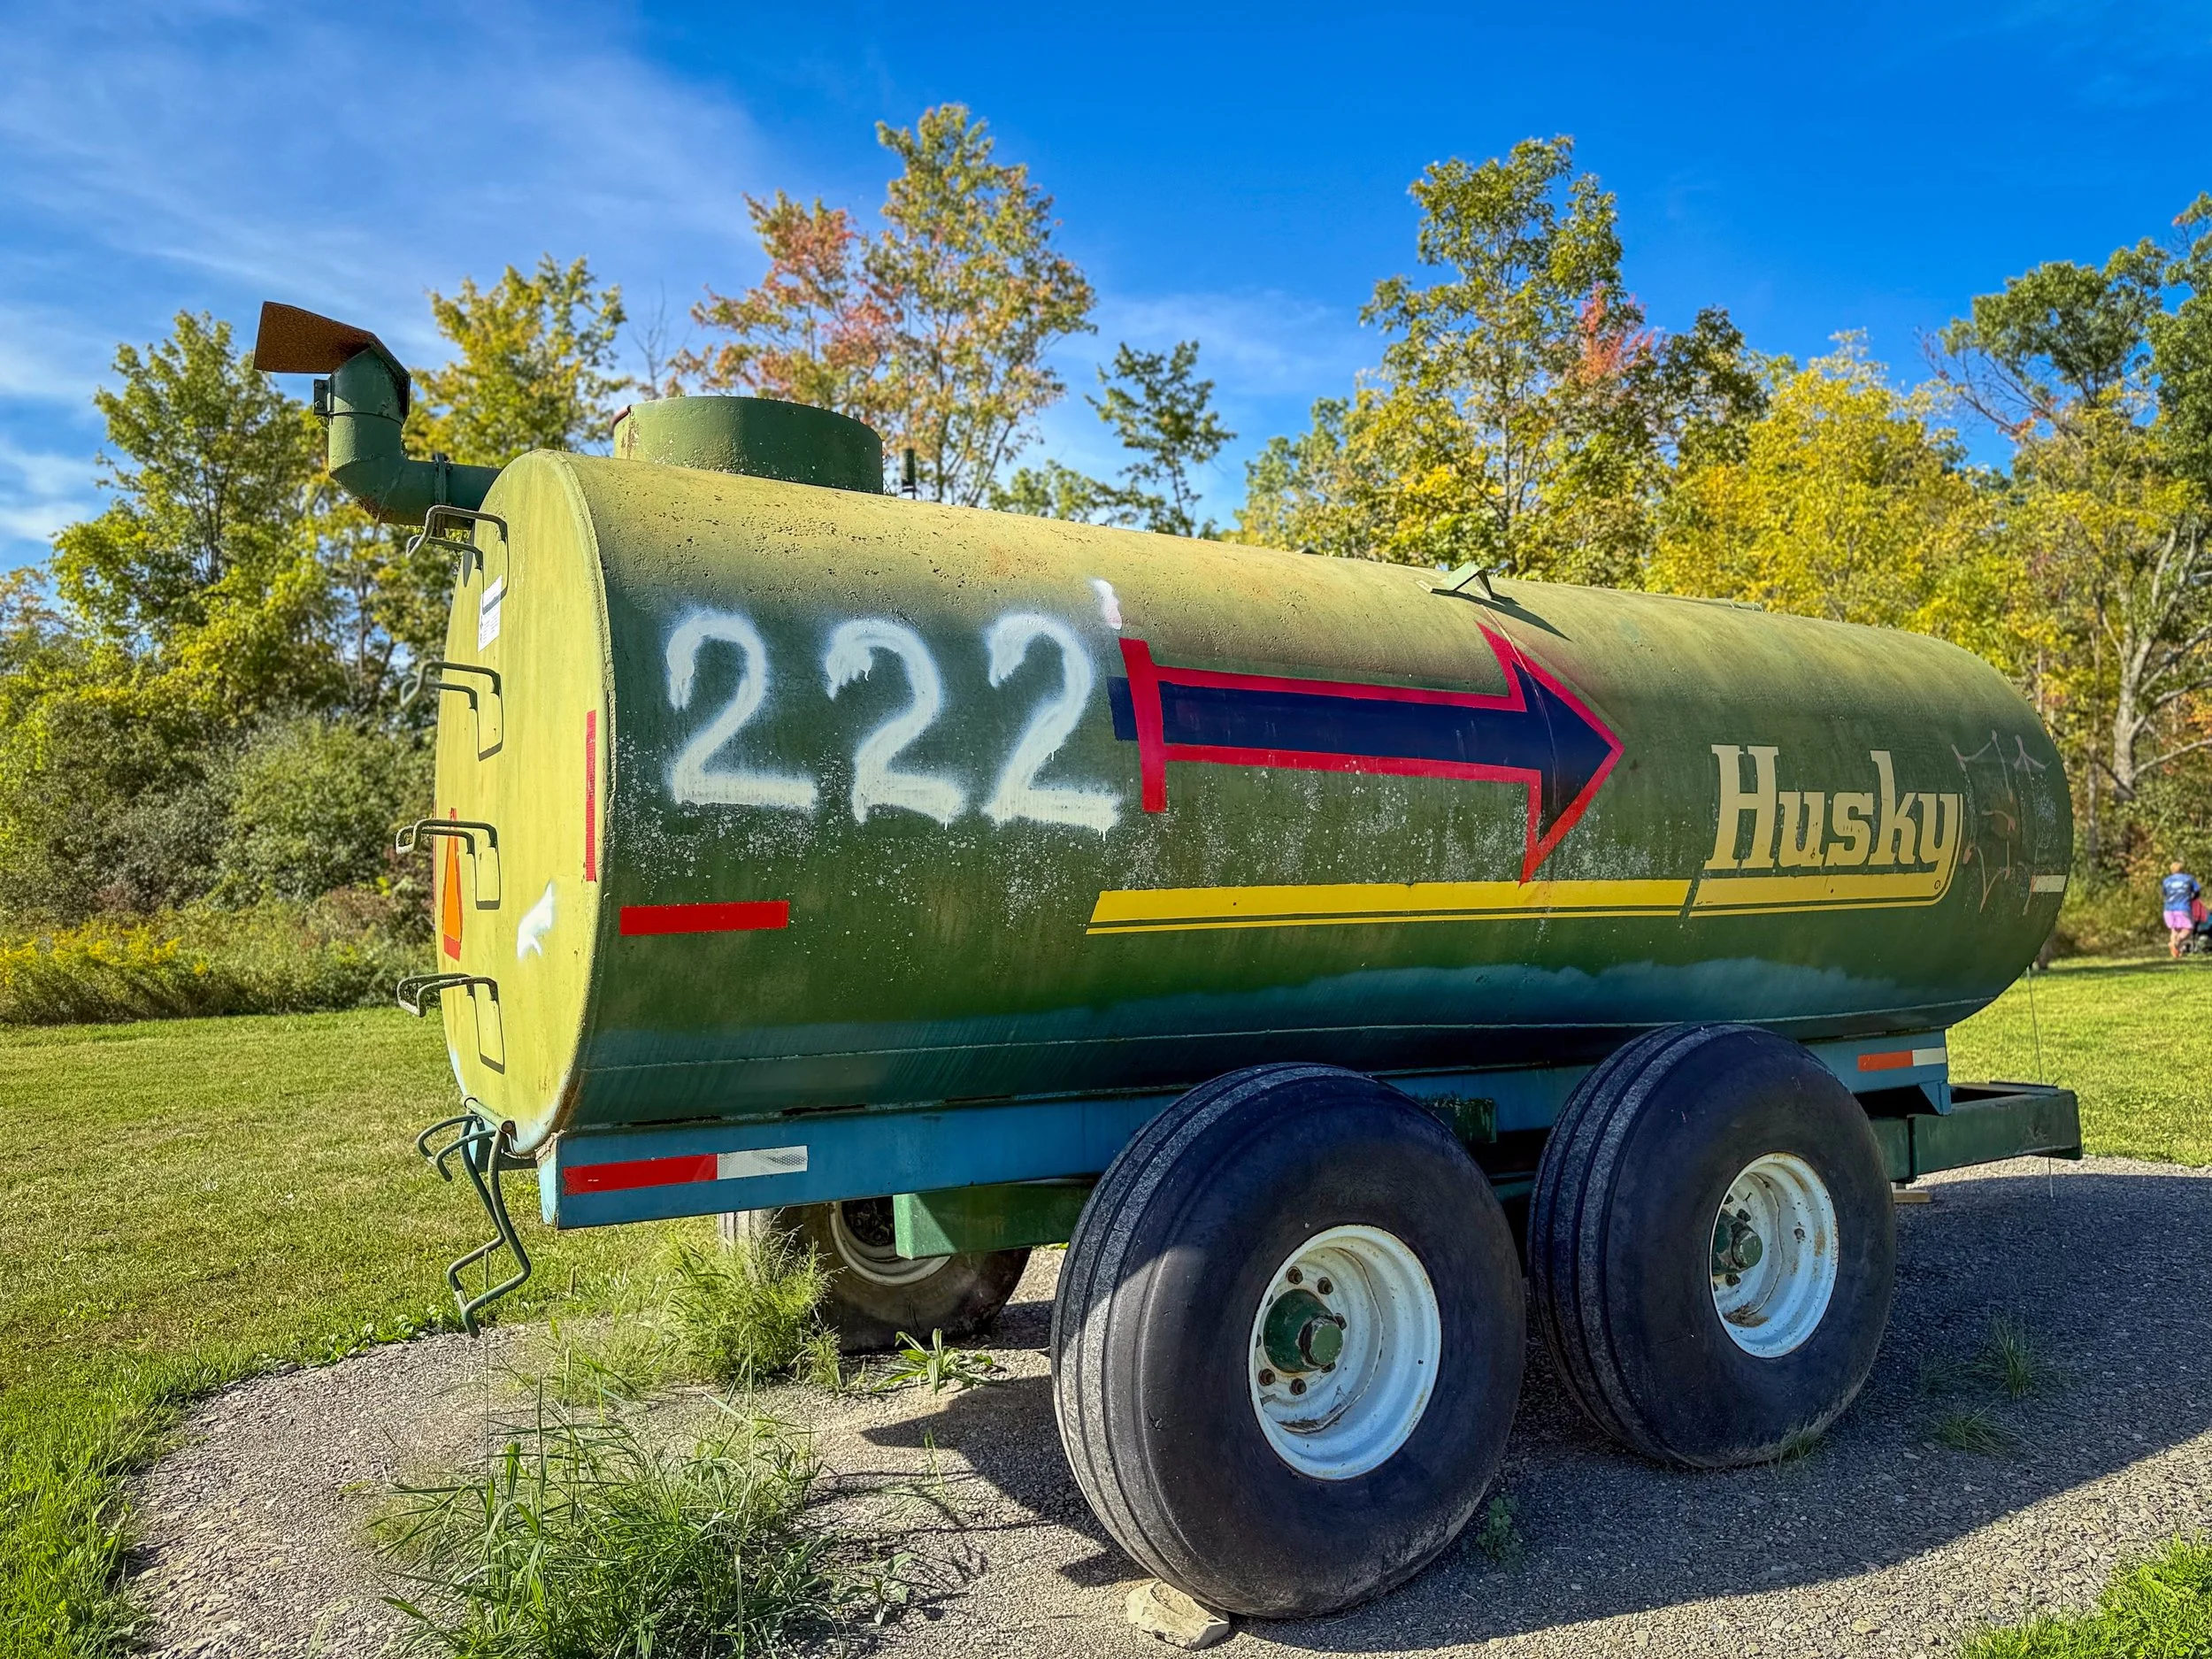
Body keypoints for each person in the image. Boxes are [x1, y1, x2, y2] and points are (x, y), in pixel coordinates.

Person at [2162, 860, 2201, 958]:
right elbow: (2197, 892)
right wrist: (2192, 898)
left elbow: (2165, 893)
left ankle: (2176, 953)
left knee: (2174, 930)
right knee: (2188, 929)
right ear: (2182, 869)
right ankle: (2176, 943)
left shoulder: (2166, 880)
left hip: (2168, 909)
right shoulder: (2189, 879)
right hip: (2183, 907)